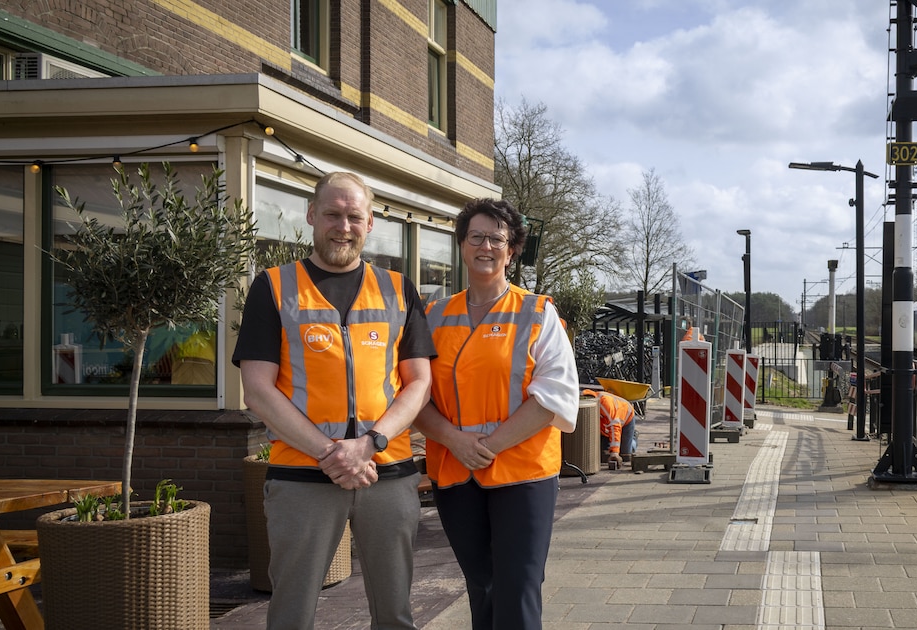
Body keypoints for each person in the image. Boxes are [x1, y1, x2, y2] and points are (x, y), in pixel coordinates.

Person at [234, 171, 435, 630]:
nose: (343, 226)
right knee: (291, 615)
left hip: (386, 472)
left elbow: (419, 383)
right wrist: (332, 453)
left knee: (396, 614)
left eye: (354, 217)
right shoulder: (273, 286)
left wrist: (369, 444)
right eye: (332, 214)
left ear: (370, 223)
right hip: (302, 475)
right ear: (311, 215)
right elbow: (257, 389)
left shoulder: (399, 289)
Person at [415, 198, 578, 630]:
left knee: (518, 587)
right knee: (482, 586)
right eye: (476, 237)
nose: (485, 246)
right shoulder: (433, 316)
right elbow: (413, 395)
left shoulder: (537, 312)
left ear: (512, 250)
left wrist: (485, 447)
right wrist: (455, 441)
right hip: (455, 473)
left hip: (523, 473)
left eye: (496, 239)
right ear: (462, 245)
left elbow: (554, 395)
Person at [581, 388, 636, 468]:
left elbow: (615, 428)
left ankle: (633, 439)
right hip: (605, 425)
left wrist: (615, 453)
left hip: (626, 417)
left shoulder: (605, 405)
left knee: (625, 455)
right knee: (603, 453)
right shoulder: (585, 405)